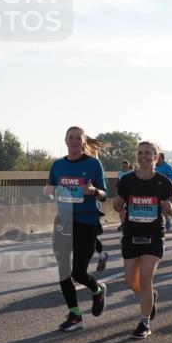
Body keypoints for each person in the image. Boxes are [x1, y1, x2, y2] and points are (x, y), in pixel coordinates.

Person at [45, 126, 109, 332]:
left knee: (78, 273)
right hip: (63, 221)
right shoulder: (57, 165)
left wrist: (93, 191)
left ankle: (97, 290)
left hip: (86, 222)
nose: (73, 141)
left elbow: (104, 194)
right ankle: (74, 315)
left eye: (77, 138)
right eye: (70, 137)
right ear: (65, 140)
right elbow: (50, 188)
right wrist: (47, 192)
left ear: (83, 141)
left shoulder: (93, 164)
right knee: (63, 272)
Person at [114, 140, 172, 339]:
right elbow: (118, 206)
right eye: (140, 153)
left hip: (154, 236)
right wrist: (116, 205)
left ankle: (144, 322)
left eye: (148, 153)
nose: (144, 157)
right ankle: (150, 296)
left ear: (156, 157)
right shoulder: (127, 181)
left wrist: (169, 208)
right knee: (131, 281)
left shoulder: (164, 182)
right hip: (132, 235)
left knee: (146, 277)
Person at [155, 153, 172, 231]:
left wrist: (164, 179)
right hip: (155, 190)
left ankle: (167, 219)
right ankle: (162, 221)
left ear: (163, 158)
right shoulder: (154, 167)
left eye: (159, 158)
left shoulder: (168, 167)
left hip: (166, 189)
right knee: (158, 207)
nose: (157, 159)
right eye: (156, 157)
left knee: (163, 205)